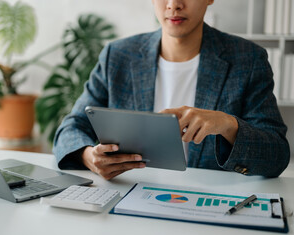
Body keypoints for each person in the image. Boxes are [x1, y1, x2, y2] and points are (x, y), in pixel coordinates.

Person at [53, 0, 290, 180]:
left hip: (209, 209)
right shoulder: (118, 56)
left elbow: (277, 155)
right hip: (132, 198)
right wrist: (88, 156)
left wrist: (229, 125)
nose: (174, 5)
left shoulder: (248, 60)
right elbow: (70, 128)